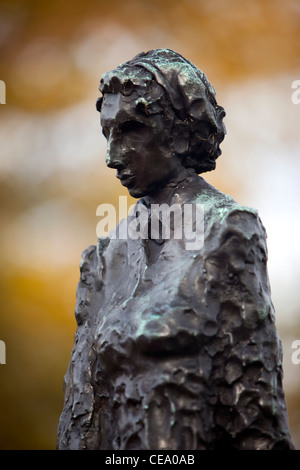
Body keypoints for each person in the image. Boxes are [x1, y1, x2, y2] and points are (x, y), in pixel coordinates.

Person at [57, 49, 294, 450]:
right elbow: (78, 420)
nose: (111, 157)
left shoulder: (228, 231)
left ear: (179, 133)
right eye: (107, 133)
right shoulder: (100, 260)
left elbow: (255, 415)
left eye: (131, 130)